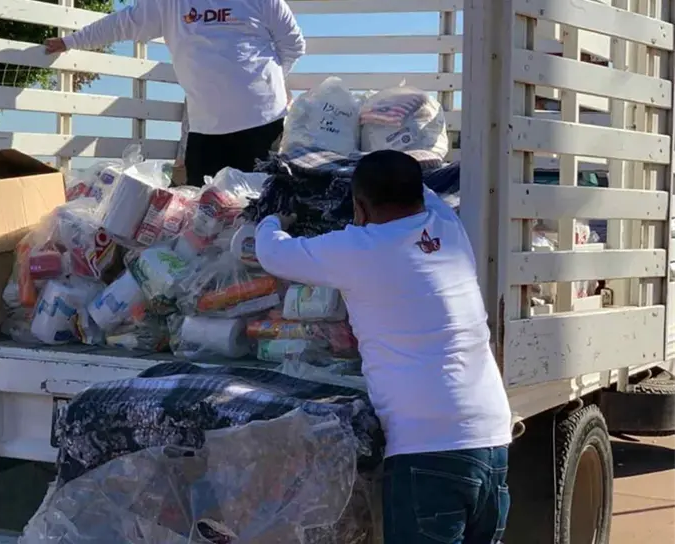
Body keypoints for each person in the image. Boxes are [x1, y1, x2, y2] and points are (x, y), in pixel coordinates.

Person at [253, 150, 512, 543]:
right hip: (492, 441)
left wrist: (273, 217)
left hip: (427, 449)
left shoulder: (357, 249)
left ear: (359, 207)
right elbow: (421, 186)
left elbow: (272, 252)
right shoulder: (447, 226)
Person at [44, 0, 305, 187]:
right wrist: (71, 41)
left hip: (264, 124)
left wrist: (274, 83)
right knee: (203, 214)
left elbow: (293, 44)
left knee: (260, 209)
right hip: (206, 131)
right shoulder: (169, 4)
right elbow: (122, 23)